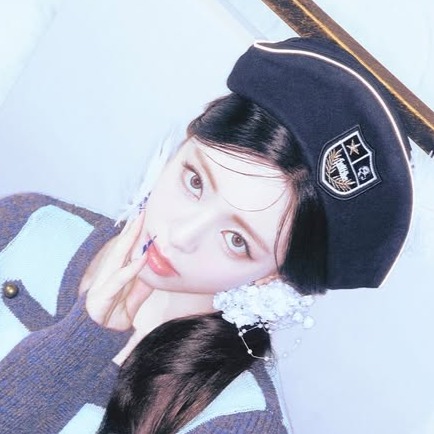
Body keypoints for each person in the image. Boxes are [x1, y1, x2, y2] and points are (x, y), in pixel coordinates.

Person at [0, 37, 413, 434]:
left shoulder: (238, 420)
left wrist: (78, 346)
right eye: (195, 182)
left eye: (236, 240)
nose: (182, 235)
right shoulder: (31, 223)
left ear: (273, 276)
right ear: (185, 142)